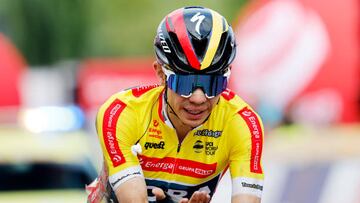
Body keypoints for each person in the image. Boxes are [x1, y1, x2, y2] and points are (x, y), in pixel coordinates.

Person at [86, 6, 264, 203]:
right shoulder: (121, 112)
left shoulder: (242, 122)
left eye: (212, 84)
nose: (198, 98)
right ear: (161, 74)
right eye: (184, 83)